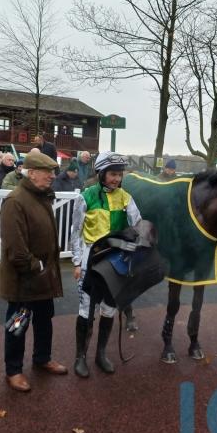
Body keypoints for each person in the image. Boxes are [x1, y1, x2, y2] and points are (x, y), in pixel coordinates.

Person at [0, 151, 67, 392]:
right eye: (47, 172)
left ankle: (42, 358)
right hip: (24, 281)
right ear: (33, 173)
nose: (52, 176)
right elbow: (15, 249)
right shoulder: (15, 201)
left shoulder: (41, 196)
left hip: (43, 278)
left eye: (53, 172)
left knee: (44, 320)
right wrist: (37, 266)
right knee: (18, 325)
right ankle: (13, 370)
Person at [70, 151, 142, 378]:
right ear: (101, 173)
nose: (116, 179)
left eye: (119, 175)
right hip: (91, 260)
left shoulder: (126, 198)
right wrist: (76, 262)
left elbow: (138, 226)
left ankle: (100, 354)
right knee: (86, 309)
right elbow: (76, 232)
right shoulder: (86, 197)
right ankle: (80, 357)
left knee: (109, 309)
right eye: (112, 174)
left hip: (115, 262)